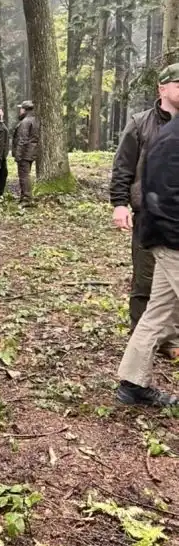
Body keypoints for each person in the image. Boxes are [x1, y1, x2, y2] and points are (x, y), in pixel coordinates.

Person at [110, 63, 179, 358]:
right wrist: (120, 204)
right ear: (162, 88)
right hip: (148, 217)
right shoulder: (141, 123)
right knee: (145, 281)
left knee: (170, 286)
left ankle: (170, 340)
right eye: (178, 83)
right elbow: (122, 167)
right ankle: (141, 340)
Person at [116, 113, 179, 407]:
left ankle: (132, 383)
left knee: (158, 311)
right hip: (171, 239)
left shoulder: (169, 133)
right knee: (155, 305)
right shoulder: (170, 139)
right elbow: (164, 198)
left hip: (164, 237)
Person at [11, 100, 39, 202]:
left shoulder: (25, 122)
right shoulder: (34, 120)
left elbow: (22, 139)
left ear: (25, 109)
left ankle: (27, 198)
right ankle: (24, 197)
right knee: (25, 175)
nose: (20, 111)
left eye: (21, 109)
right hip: (31, 152)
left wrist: (18, 154)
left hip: (25, 153)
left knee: (24, 176)